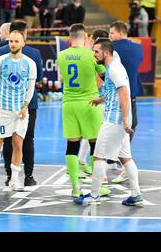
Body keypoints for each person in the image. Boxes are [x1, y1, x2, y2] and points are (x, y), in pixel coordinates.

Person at [75, 40, 143, 206]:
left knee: (99, 156)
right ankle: (136, 195)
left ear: (106, 52)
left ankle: (94, 196)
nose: (94, 54)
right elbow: (113, 91)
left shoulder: (114, 69)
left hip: (115, 121)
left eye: (97, 51)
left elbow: (125, 95)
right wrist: (100, 100)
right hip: (119, 121)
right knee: (125, 157)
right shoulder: (112, 67)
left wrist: (126, 120)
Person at [57, 23, 110, 198]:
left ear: (69, 37)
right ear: (85, 36)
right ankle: (98, 187)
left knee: (72, 146)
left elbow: (63, 77)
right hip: (90, 104)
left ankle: (75, 187)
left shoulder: (61, 55)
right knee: (97, 147)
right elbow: (105, 74)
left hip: (69, 105)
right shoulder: (91, 55)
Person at [0, 20, 43, 187]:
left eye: (16, 41)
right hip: (3, 108)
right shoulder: (1, 58)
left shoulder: (28, 60)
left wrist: (24, 106)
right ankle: (24, 176)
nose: (12, 43)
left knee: (17, 142)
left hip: (22, 108)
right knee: (18, 141)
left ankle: (12, 177)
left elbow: (33, 83)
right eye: (11, 41)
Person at [110, 21, 143, 141]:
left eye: (112, 33)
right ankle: (125, 152)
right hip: (132, 92)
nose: (110, 36)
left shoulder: (111, 48)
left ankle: (111, 155)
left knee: (111, 124)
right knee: (132, 123)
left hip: (114, 92)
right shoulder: (138, 48)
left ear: (120, 32)